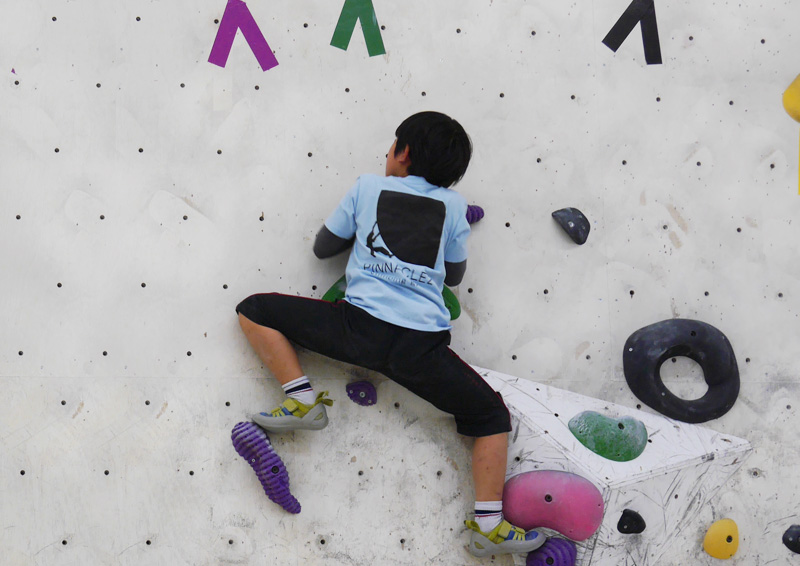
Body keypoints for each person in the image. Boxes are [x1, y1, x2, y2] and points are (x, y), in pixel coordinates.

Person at [235, 111, 545, 557]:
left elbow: (324, 248)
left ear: (402, 152)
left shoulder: (367, 187)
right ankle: (489, 526)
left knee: (255, 310)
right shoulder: (454, 207)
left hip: (357, 328)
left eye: (391, 147)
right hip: (421, 348)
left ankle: (301, 398)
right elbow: (454, 277)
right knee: (491, 417)